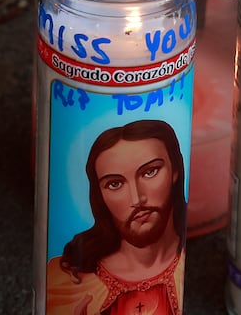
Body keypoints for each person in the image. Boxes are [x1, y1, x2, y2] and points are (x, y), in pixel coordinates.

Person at [46, 119, 186, 315]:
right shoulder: (66, 280)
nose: (137, 199)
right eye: (115, 184)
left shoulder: (189, 265)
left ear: (175, 170)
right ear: (100, 196)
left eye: (150, 172)